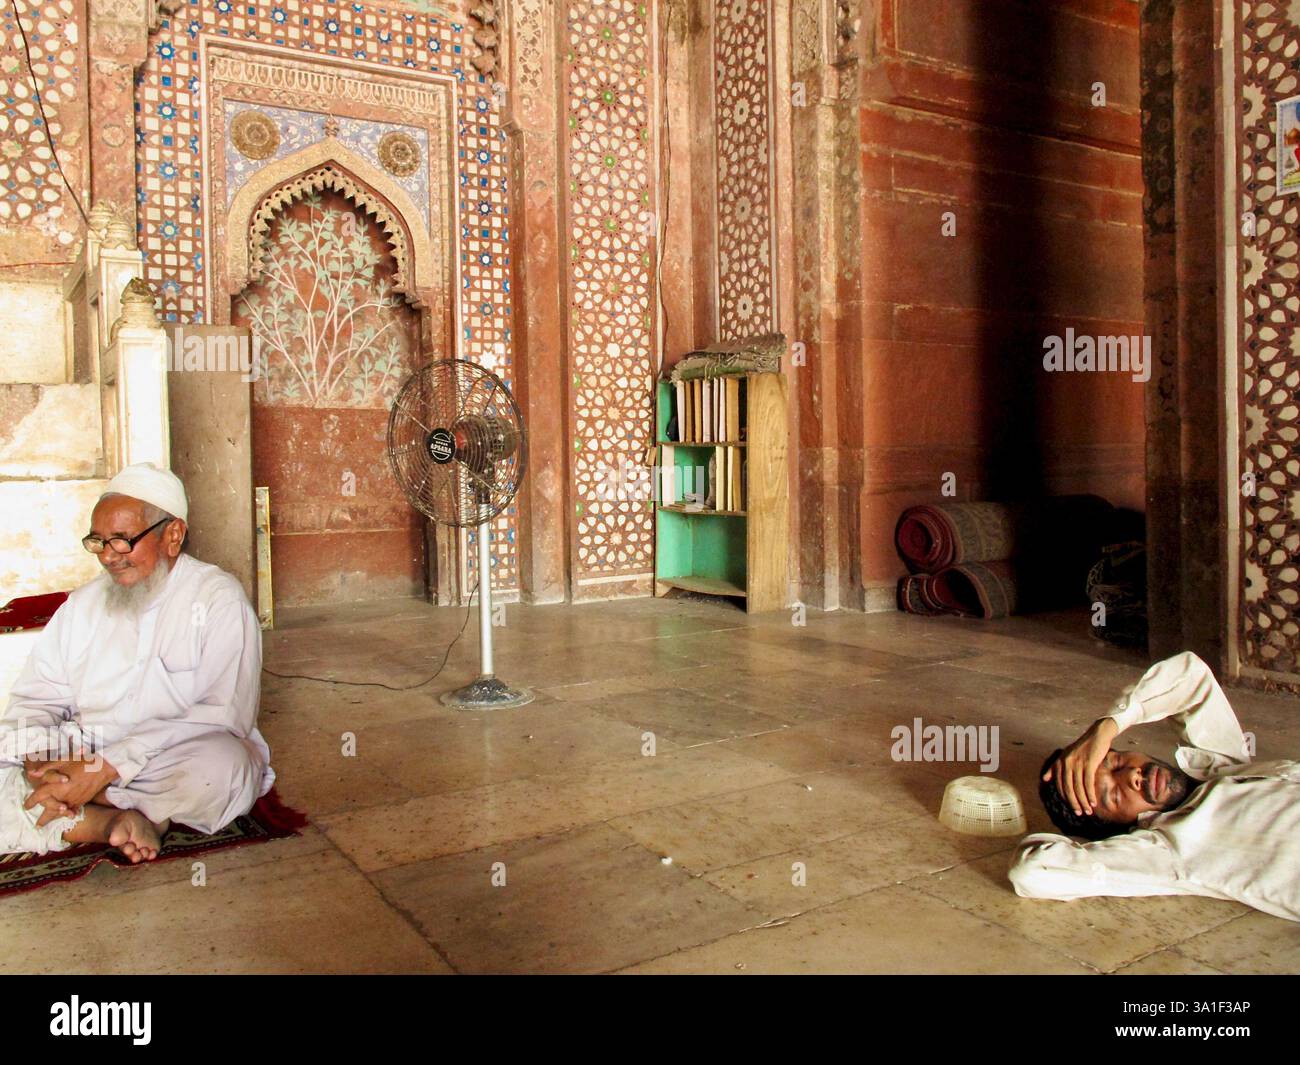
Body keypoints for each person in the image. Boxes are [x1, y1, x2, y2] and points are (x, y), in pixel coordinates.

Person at [0, 463, 273, 862]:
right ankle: (114, 821)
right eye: (98, 542)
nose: (109, 556)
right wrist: (42, 762)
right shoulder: (83, 605)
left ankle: (81, 808)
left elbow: (225, 713)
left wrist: (106, 768)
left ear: (173, 535)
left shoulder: (218, 600)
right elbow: (35, 700)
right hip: (84, 751)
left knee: (223, 771)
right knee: (19, 757)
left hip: (172, 757)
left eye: (122, 541)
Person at [1008, 651, 1300, 922]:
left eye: (1118, 762)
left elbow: (1191, 675)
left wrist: (1107, 726)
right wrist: (1099, 846)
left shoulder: (1218, 768)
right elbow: (1032, 870)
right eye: (1115, 796)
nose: (1134, 776)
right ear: (1121, 828)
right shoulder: (1169, 849)